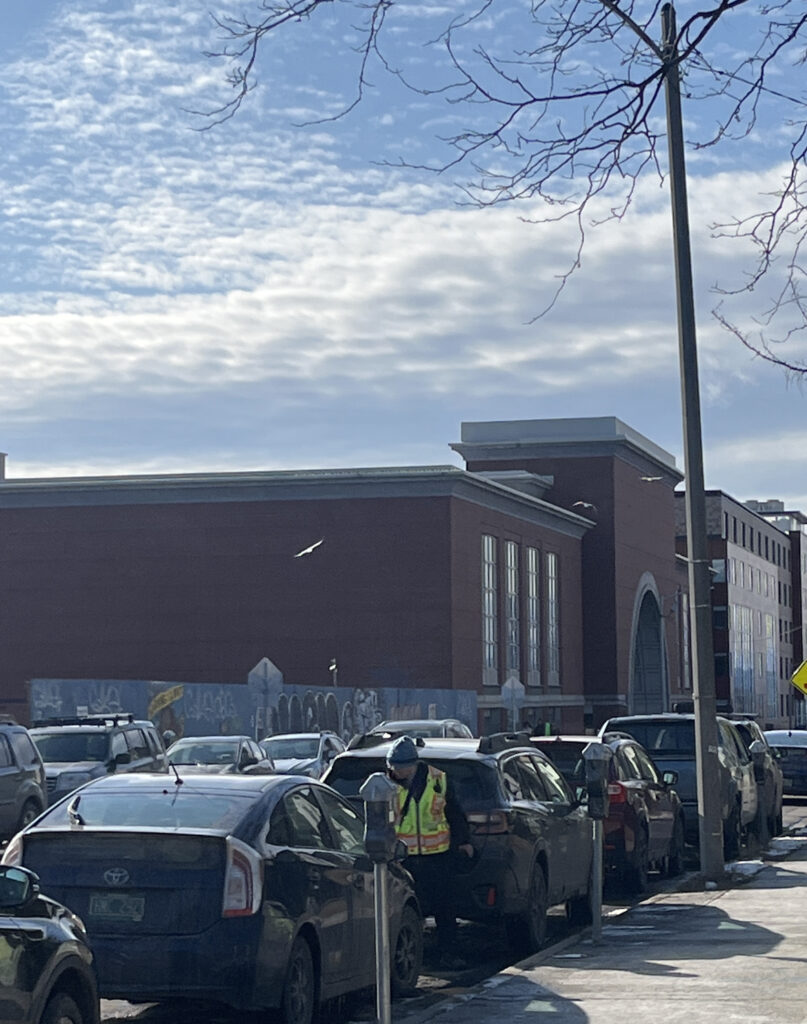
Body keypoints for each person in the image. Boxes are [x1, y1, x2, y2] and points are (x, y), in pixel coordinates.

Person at [386, 735, 474, 970]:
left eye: (399, 767)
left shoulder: (438, 780)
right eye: (392, 767)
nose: (395, 771)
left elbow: (454, 813)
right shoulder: (387, 785)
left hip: (437, 857)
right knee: (408, 910)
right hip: (404, 860)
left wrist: (463, 841)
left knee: (445, 908)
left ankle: (449, 954)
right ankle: (412, 958)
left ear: (412, 765)